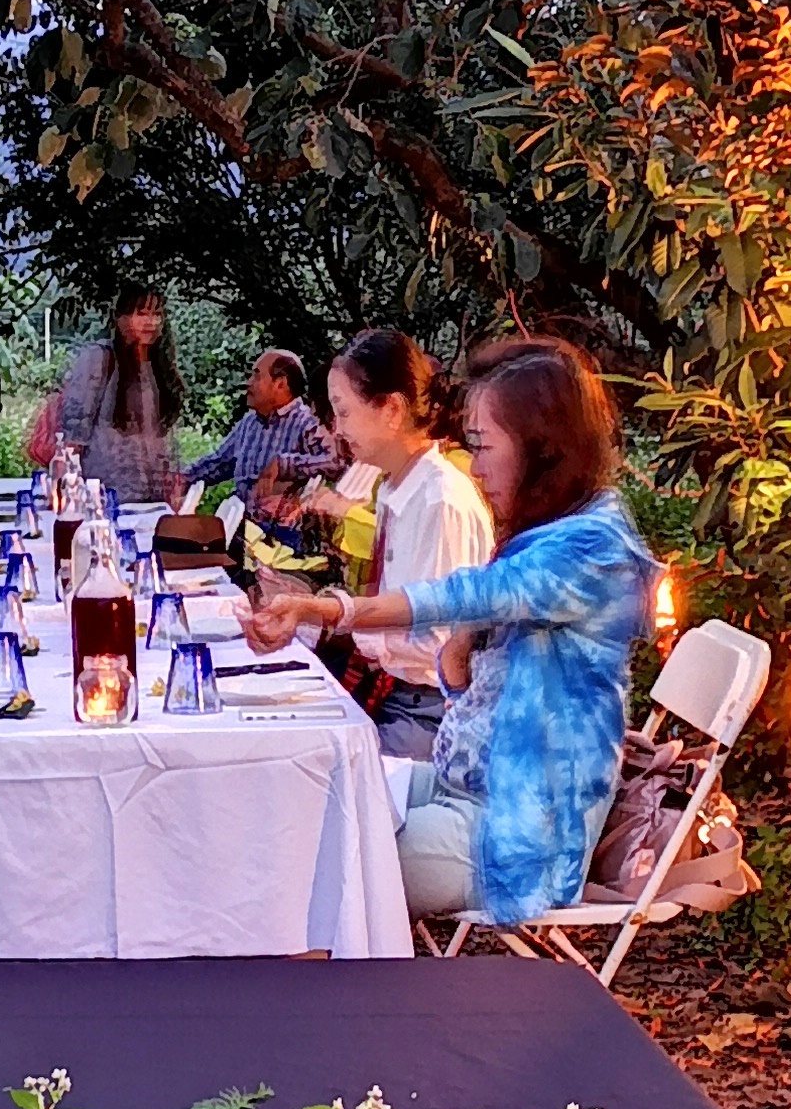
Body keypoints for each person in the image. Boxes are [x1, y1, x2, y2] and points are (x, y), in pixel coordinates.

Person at [246, 338, 651, 924]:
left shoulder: (592, 547)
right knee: (306, 791)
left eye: (483, 447)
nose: (475, 465)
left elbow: (459, 597)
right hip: (458, 784)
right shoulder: (547, 531)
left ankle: (313, 1007)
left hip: (513, 837)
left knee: (315, 862)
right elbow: (464, 662)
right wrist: (461, 650)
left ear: (543, 449)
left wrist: (327, 611)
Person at [303, 330, 493, 759]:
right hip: (398, 695)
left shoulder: (441, 499)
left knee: (325, 775)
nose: (338, 429)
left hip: (433, 710)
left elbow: (439, 641)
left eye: (345, 413)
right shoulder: (396, 488)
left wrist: (344, 626)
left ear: (391, 410)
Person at [174, 347, 336, 526]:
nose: (248, 383)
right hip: (238, 526)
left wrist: (283, 465)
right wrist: (178, 481)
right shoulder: (250, 422)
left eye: (257, 376)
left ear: (280, 384)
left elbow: (334, 463)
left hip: (282, 538)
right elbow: (220, 463)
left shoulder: (308, 424)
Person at [55, 281, 184, 504]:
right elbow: (73, 436)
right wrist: (65, 490)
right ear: (120, 318)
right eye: (142, 314)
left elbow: (163, 439)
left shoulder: (159, 366)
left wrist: (174, 487)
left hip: (154, 498)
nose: (151, 322)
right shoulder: (99, 359)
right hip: (107, 495)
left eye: (157, 314)